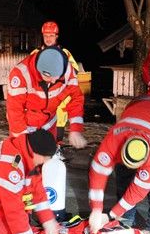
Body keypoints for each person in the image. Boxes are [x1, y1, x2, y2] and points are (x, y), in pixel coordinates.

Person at [87, 92, 150, 234]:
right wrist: (96, 209)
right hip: (139, 104)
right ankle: (126, 218)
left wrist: (110, 215)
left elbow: (138, 191)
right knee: (123, 172)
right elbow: (98, 172)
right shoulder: (114, 139)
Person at [5, 21, 88, 150]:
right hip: (27, 124)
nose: (54, 82)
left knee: (49, 158)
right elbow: (14, 110)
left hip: (51, 119)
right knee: (25, 160)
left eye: (57, 77)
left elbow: (76, 97)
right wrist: (22, 139)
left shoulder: (66, 64)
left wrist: (75, 128)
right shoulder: (21, 73)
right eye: (46, 35)